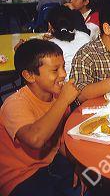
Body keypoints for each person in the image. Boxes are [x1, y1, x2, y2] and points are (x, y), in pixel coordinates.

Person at [0, 39, 79, 196]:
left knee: (94, 178)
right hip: (20, 177)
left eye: (63, 67)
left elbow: (60, 142)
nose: (63, 74)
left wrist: (79, 165)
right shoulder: (14, 104)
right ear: (29, 76)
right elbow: (35, 139)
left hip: (50, 165)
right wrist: (63, 100)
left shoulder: (58, 98)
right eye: (55, 70)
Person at [46, 6, 91, 78]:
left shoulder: (50, 46)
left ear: (50, 25)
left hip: (64, 85)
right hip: (89, 83)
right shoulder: (85, 36)